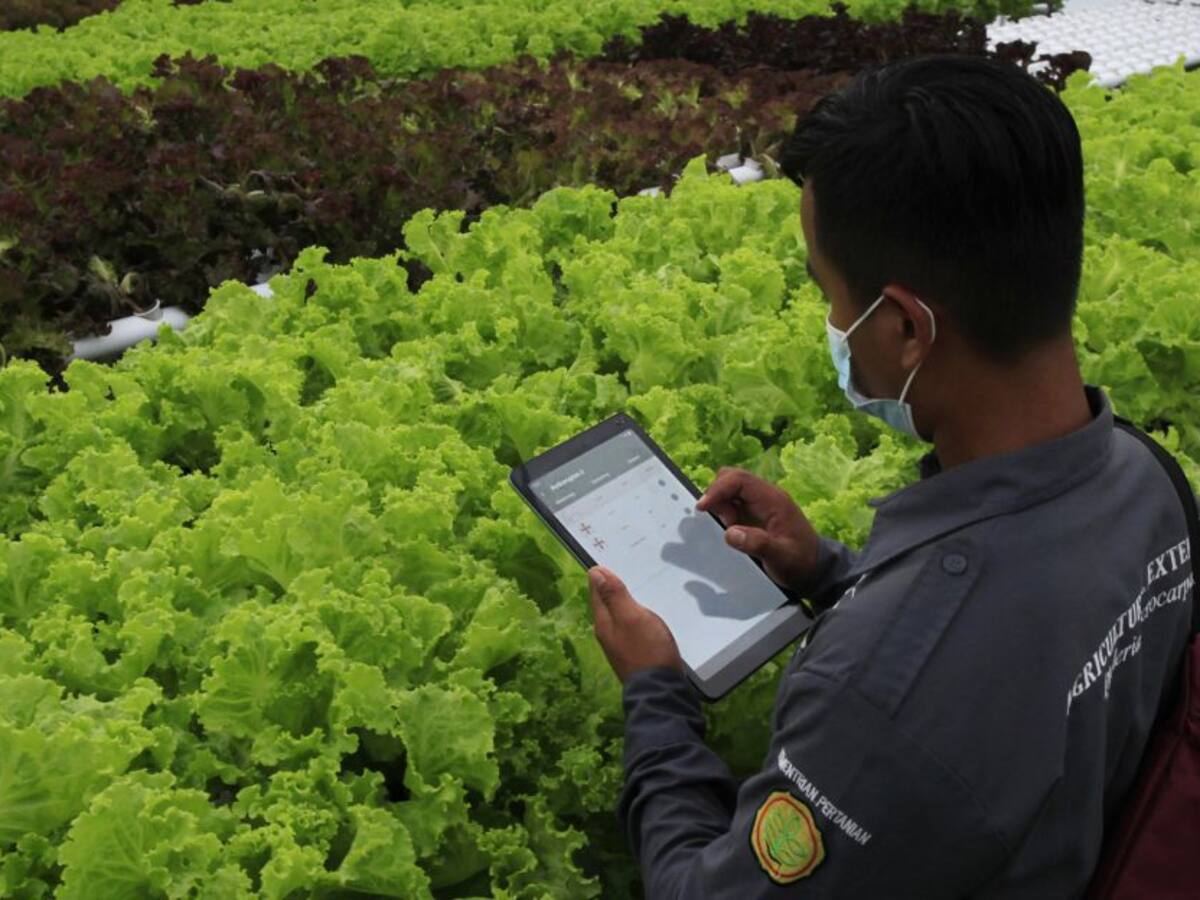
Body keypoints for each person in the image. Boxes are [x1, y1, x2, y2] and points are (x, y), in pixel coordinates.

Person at [586, 54, 1194, 898]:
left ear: (906, 328)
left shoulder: (874, 707)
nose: (835, 325)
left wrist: (656, 692)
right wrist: (837, 576)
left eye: (831, 294)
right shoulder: (1149, 479)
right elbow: (1018, 675)